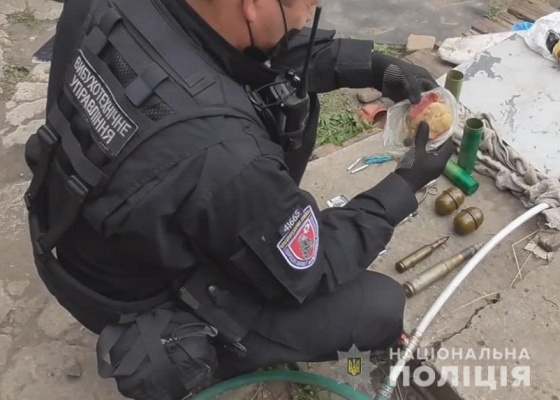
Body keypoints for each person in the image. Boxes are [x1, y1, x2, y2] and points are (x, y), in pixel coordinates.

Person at [25, 0, 454, 397]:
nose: (313, 11)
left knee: (281, 89)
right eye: (306, 2)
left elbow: (262, 50)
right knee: (378, 307)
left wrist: (372, 66)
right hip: (135, 301)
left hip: (67, 229)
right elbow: (309, 267)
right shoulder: (225, 155)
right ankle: (195, 353)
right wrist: (403, 184)